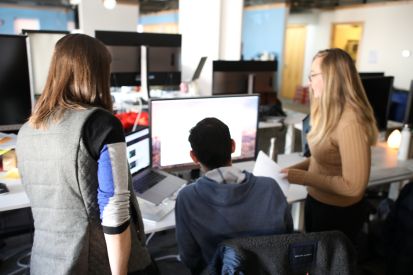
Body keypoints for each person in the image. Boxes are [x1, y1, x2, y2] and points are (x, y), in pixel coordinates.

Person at [16, 34, 154, 275]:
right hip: (96, 262)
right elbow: (114, 209)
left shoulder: (27, 130)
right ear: (97, 74)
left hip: (44, 264)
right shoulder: (100, 124)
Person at [282, 48, 378, 243]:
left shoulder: (351, 122)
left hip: (338, 214)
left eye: (312, 75)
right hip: (317, 202)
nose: (309, 82)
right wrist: (289, 171)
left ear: (331, 77)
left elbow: (353, 188)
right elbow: (322, 157)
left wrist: (300, 177)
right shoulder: (327, 111)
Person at [175, 117, 293, 274]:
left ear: (194, 157)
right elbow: (287, 238)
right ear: (233, 146)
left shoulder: (187, 198)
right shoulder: (270, 187)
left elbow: (189, 258)